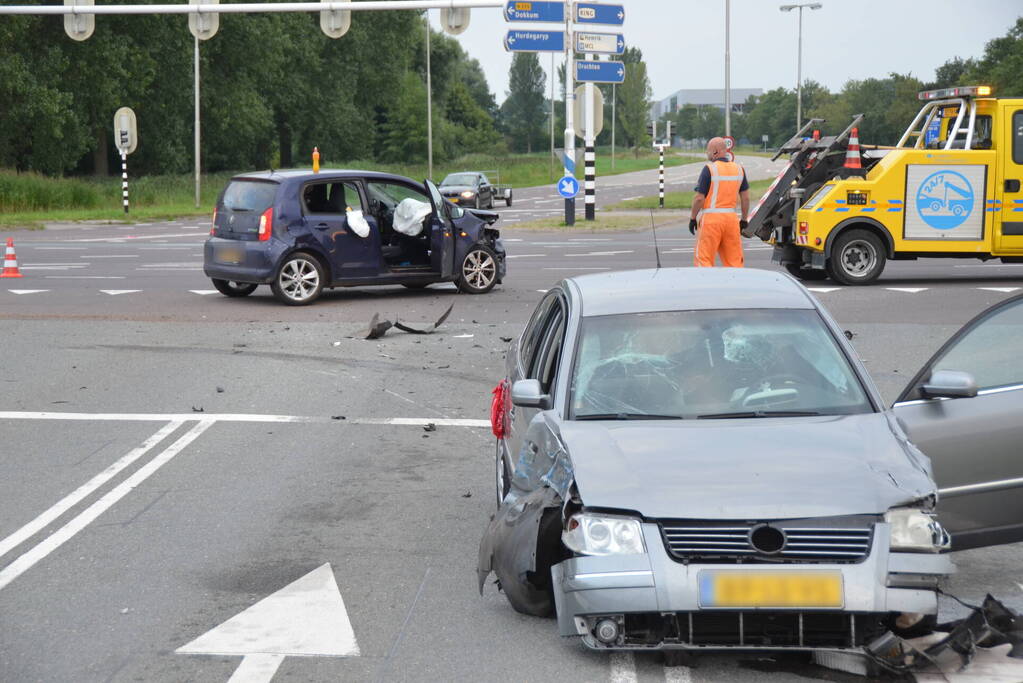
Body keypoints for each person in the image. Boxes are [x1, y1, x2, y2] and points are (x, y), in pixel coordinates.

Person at [688, 138, 749, 267]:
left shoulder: (709, 169)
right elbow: (745, 198)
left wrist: (693, 218)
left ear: (715, 151)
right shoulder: (739, 169)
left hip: (711, 220)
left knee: (704, 260)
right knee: (734, 262)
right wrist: (743, 220)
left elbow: (699, 198)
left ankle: (707, 285)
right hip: (732, 221)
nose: (707, 153)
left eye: (708, 150)